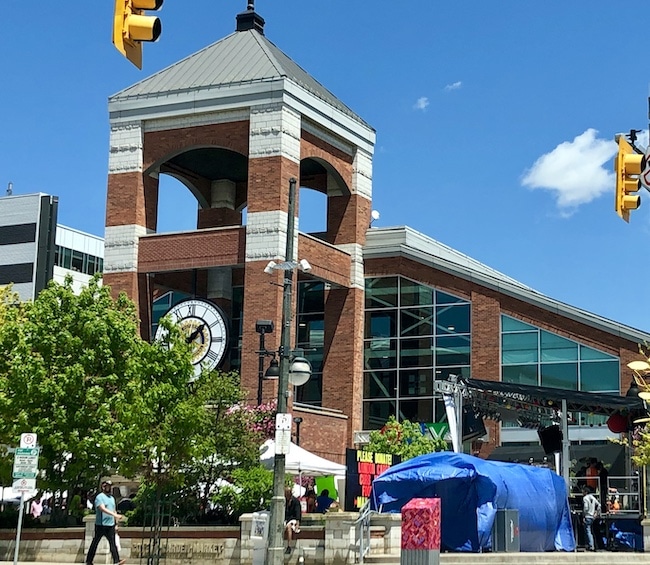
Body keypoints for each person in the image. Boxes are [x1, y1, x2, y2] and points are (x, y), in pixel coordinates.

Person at [85, 480, 126, 565]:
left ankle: (116, 561)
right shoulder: (99, 497)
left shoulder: (112, 498)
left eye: (110, 486)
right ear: (103, 487)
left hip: (110, 524)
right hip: (101, 525)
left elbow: (114, 510)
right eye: (108, 486)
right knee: (95, 543)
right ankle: (89, 561)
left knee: (113, 543)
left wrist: (116, 523)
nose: (109, 488)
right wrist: (115, 515)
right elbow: (102, 509)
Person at [582, 485, 601, 551]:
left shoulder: (585, 498)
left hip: (587, 516)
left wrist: (584, 515)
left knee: (587, 531)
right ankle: (592, 545)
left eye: (583, 491)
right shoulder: (593, 497)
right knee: (590, 531)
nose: (582, 492)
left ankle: (591, 545)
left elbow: (586, 508)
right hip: (592, 516)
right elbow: (599, 505)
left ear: (586, 492)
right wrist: (596, 513)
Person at [284, 487, 301, 555]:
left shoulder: (295, 501)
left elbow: (298, 512)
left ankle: (289, 546)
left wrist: (298, 523)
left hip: (292, 518)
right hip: (285, 518)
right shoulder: (284, 500)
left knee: (289, 527)